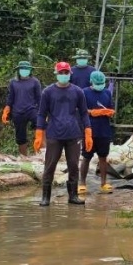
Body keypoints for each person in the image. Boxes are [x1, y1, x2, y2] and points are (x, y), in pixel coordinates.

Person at [36, 61, 90, 207]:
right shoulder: (48, 92)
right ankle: (45, 197)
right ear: (56, 74)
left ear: (70, 74)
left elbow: (84, 113)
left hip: (73, 133)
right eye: (61, 73)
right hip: (54, 134)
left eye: (66, 72)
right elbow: (41, 114)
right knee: (50, 165)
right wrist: (39, 132)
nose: (64, 75)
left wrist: (88, 130)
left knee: (73, 165)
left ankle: (73, 195)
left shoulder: (78, 91)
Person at [79, 70, 115, 195]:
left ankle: (103, 183)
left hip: (104, 130)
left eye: (102, 83)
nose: (100, 85)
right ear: (91, 82)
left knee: (103, 157)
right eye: (97, 83)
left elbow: (110, 107)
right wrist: (92, 112)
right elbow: (80, 110)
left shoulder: (107, 93)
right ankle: (82, 183)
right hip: (89, 130)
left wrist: (109, 112)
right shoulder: (84, 92)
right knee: (86, 157)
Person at [2, 60, 42, 157]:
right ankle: (24, 157)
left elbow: (39, 98)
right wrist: (6, 110)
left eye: (26, 69)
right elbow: (11, 97)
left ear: (30, 70)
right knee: (20, 137)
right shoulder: (13, 82)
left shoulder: (35, 82)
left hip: (31, 109)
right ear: (18, 70)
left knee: (40, 127)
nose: (24, 71)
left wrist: (43, 113)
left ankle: (42, 154)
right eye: (22, 69)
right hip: (17, 112)